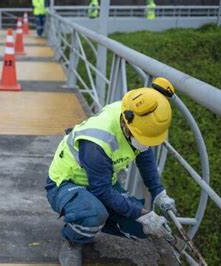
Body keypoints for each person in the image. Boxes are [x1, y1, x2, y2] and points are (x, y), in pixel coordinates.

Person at [45, 77, 177, 266]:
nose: (145, 143)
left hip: (101, 179)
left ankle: (86, 220)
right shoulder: (97, 141)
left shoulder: (134, 115)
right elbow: (102, 190)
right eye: (143, 138)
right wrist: (144, 214)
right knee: (94, 214)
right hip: (67, 182)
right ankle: (72, 240)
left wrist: (159, 192)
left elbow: (144, 154)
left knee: (139, 229)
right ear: (127, 122)